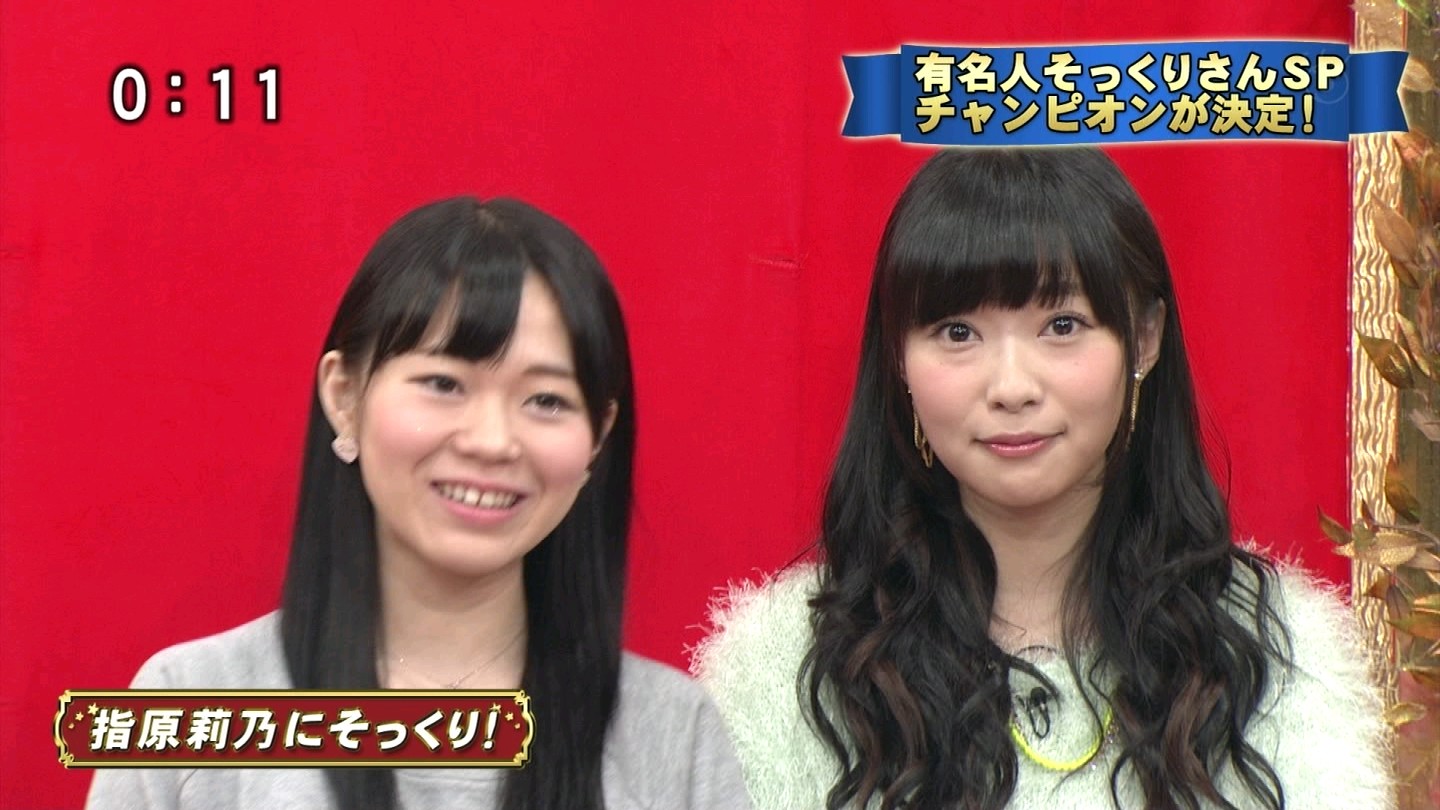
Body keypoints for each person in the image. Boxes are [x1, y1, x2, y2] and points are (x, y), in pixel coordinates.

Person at [693, 148, 1393, 809]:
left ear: (1145, 338)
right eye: (958, 333)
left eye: (1062, 325)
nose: (1011, 387)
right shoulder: (778, 668)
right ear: (898, 357)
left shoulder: (1280, 654)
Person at [87, 197, 752, 810]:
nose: (492, 441)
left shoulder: (678, 735)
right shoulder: (191, 703)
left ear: (598, 437)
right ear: (344, 397)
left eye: (546, 400)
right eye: (443, 383)